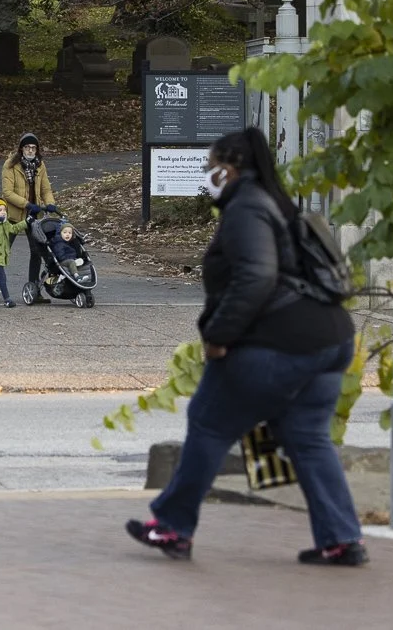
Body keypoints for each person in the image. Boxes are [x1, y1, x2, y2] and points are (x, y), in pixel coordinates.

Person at [126, 127, 365, 566]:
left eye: (210, 167)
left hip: (280, 340)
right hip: (331, 338)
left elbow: (256, 277)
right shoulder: (276, 202)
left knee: (209, 422)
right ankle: (341, 538)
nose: (207, 175)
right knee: (309, 438)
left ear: (229, 168)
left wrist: (219, 336)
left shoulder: (247, 208)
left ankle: (173, 527)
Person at [0, 133, 56, 301]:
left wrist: (50, 203)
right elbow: (7, 193)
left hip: (34, 215)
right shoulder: (11, 165)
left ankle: (34, 289)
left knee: (37, 252)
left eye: (33, 148)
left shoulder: (40, 165)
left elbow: (45, 189)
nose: (30, 150)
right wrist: (26, 204)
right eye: (27, 147)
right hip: (14, 215)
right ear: (21, 149)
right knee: (2, 252)